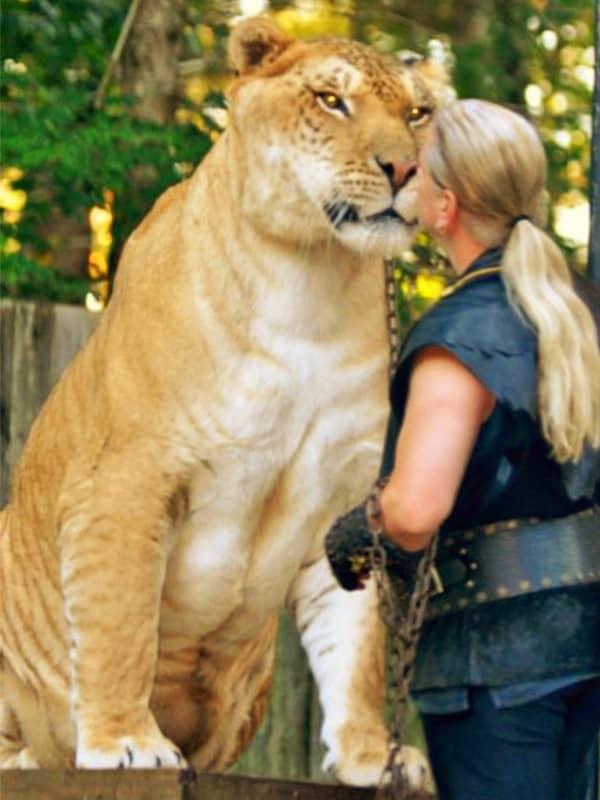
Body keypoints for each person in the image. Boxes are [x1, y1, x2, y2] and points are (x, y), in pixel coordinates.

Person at [326, 99, 600, 800]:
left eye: (416, 170)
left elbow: (416, 509)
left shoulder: (461, 333)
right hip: (583, 647)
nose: (404, 179)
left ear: (444, 207)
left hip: (495, 669)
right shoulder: (579, 310)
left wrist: (363, 531)